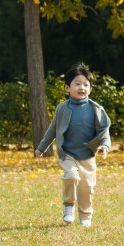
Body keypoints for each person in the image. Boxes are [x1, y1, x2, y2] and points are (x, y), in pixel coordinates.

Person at [35, 63, 111, 228]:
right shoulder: (62, 108)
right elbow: (52, 130)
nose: (82, 87)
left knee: (87, 187)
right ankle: (68, 206)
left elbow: (104, 130)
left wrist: (105, 145)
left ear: (90, 89)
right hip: (67, 153)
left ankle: (85, 215)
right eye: (77, 84)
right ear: (67, 88)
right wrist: (42, 148)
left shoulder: (95, 109)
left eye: (86, 85)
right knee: (71, 176)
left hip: (88, 155)